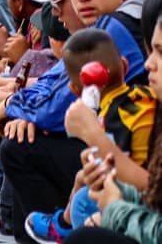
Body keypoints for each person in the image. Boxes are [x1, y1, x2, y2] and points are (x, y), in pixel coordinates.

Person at [25, 28, 155, 242]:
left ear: (75, 89)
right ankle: (63, 225)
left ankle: (69, 231)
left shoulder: (113, 116)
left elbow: (114, 168)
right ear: (125, 66)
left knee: (83, 200)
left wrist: (91, 134)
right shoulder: (144, 94)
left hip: (136, 196)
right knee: (82, 177)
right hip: (145, 184)